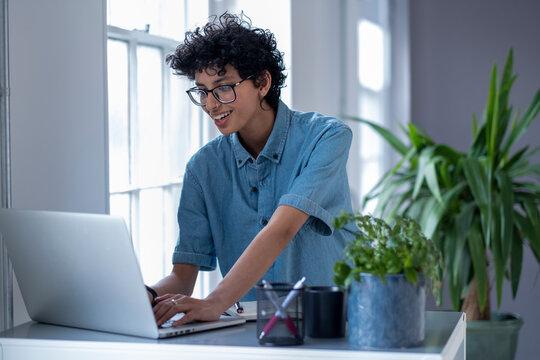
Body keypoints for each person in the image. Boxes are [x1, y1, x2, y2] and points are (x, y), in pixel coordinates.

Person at [148, 12, 353, 328]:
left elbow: (281, 229)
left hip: (331, 326)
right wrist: (146, 296)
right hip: (253, 334)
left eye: (223, 87)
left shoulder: (326, 137)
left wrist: (215, 302)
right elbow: (182, 276)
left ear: (262, 82)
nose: (211, 104)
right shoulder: (202, 169)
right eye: (201, 91)